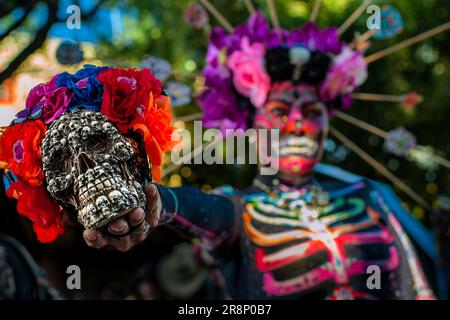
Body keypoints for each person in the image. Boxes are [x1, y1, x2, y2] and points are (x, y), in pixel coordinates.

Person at [75, 13, 445, 300]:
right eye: (281, 112)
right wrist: (151, 201)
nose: (298, 125)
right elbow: (197, 210)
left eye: (313, 113)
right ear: (253, 128)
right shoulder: (240, 212)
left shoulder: (369, 196)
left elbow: (420, 285)